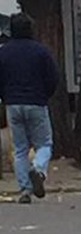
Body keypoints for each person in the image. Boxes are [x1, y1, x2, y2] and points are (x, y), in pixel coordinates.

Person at [0, 13, 59, 204]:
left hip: (13, 104)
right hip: (36, 102)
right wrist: (44, 94)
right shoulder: (41, 51)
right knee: (45, 143)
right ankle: (39, 170)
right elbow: (53, 77)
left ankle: (25, 190)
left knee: (20, 149)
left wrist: (5, 96)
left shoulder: (4, 52)